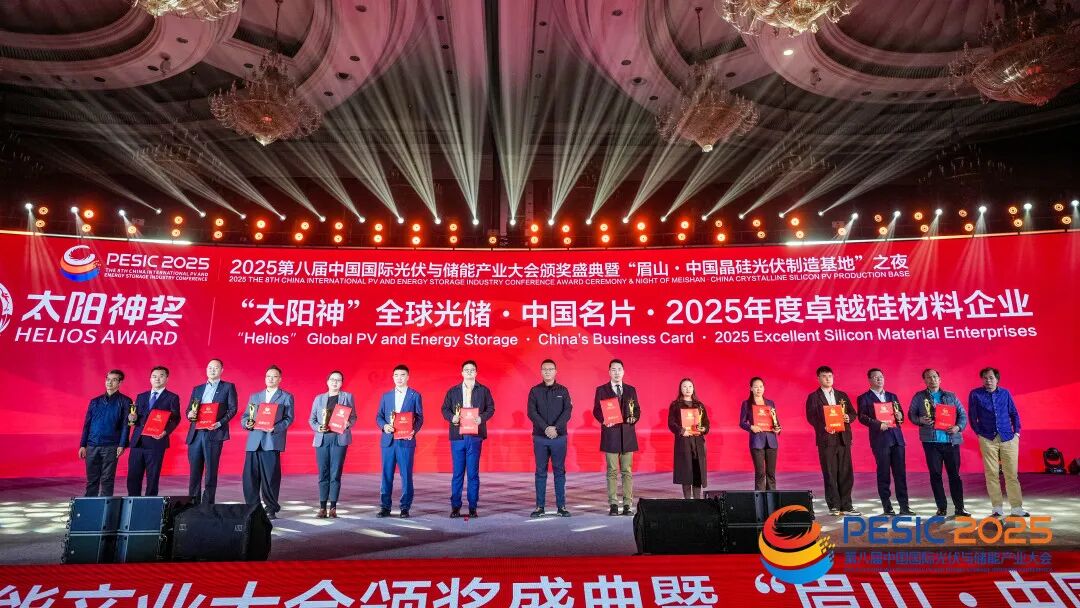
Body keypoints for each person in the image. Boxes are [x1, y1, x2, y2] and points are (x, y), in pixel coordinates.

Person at [908, 368, 970, 518]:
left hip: (951, 442)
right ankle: (941, 508)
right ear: (924, 380)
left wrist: (957, 427)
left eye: (935, 377)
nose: (932, 379)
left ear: (940, 379)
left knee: (955, 476)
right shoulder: (919, 397)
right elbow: (911, 415)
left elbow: (962, 415)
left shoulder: (951, 396)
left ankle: (960, 508)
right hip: (931, 442)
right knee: (935, 475)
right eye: (928, 377)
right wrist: (920, 420)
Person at [440, 360, 495, 518]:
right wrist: (452, 417)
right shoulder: (453, 391)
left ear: (476, 373)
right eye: (466, 370)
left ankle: (472, 507)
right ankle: (455, 507)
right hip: (458, 436)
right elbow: (444, 409)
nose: (469, 372)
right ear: (462, 372)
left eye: (472, 370)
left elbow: (491, 408)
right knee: (457, 473)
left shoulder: (483, 390)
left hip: (475, 435)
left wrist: (481, 418)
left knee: (472, 473)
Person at [968, 367, 1026, 518]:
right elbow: (972, 417)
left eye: (991, 378)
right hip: (987, 438)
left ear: (997, 379)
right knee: (991, 474)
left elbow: (1014, 413)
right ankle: (997, 508)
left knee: (1011, 474)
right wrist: (980, 434)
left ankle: (1016, 508)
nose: (988, 380)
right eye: (985, 378)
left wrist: (1017, 433)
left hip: (1008, 438)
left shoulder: (1005, 393)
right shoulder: (975, 394)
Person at [804, 365, 860, 516]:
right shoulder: (814, 397)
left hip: (843, 438)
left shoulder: (842, 395)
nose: (827, 379)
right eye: (824, 376)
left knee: (846, 472)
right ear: (818, 378)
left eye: (830, 376)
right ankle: (834, 505)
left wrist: (848, 417)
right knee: (830, 472)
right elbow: (811, 417)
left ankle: (847, 505)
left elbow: (853, 413)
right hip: (826, 439)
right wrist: (824, 427)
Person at [856, 368, 913, 516]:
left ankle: (904, 506)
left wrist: (900, 416)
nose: (879, 379)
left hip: (897, 438)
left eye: (881, 377)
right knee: (884, 474)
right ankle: (887, 507)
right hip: (880, 439)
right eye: (875, 377)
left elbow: (900, 416)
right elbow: (862, 417)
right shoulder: (864, 398)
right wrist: (877, 424)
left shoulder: (892, 396)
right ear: (869, 380)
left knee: (900, 474)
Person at [242, 365, 295, 520]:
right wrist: (247, 423)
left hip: (271, 441)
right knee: (249, 477)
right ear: (265, 378)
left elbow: (289, 418)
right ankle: (252, 507)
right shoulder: (255, 396)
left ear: (280, 379)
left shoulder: (286, 397)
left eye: (274, 376)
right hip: (254, 441)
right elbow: (246, 416)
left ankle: (270, 508)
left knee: (270, 477)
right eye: (268, 376)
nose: (271, 379)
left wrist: (276, 428)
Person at [185, 358, 238, 504]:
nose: (212, 370)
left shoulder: (228, 387)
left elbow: (233, 409)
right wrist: (189, 414)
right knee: (194, 472)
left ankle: (208, 504)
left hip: (214, 433)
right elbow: (188, 409)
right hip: (196, 434)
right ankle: (193, 503)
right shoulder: (197, 389)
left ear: (222, 370)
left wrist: (219, 423)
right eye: (209, 367)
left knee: (211, 471)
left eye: (216, 368)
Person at [592, 359, 641, 516]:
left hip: (627, 435)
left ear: (623, 371)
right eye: (613, 369)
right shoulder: (601, 390)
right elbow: (596, 410)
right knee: (612, 471)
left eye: (619, 369)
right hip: (611, 434)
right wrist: (604, 420)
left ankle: (627, 505)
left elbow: (637, 409)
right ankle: (613, 504)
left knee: (627, 471)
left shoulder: (631, 390)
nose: (616, 372)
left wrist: (634, 418)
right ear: (609, 372)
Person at [376, 364, 423, 518]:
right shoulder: (386, 396)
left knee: (406, 475)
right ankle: (385, 507)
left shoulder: (415, 395)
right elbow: (379, 416)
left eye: (402, 375)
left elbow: (419, 417)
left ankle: (405, 507)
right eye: (396, 375)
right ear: (393, 377)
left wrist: (413, 430)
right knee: (386, 475)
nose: (399, 378)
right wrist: (385, 426)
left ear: (408, 377)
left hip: (405, 441)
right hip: (388, 442)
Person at [125, 366, 181, 496]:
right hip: (138, 442)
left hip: (156, 441)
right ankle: (133, 501)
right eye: (154, 376)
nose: (157, 379)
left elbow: (175, 418)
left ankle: (150, 504)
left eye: (161, 376)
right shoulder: (141, 396)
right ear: (150, 379)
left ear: (167, 379)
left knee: (152, 477)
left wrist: (165, 432)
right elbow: (136, 418)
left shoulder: (172, 397)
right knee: (133, 476)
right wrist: (132, 418)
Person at [527, 359, 572, 518]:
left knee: (559, 471)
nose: (547, 371)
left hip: (559, 437)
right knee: (540, 472)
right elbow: (532, 412)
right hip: (540, 437)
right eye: (544, 369)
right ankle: (540, 507)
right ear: (541, 372)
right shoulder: (535, 391)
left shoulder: (563, 391)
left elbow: (567, 412)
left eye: (550, 369)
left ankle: (561, 507)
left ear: (555, 371)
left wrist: (556, 428)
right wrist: (546, 428)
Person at [309, 370, 356, 518]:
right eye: (332, 379)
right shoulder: (319, 399)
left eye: (338, 380)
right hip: (322, 438)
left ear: (342, 383)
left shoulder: (347, 397)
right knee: (323, 473)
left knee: (335, 473)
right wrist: (318, 427)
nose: (335, 382)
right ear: (327, 382)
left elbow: (353, 417)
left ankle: (333, 507)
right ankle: (322, 507)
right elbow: (312, 419)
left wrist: (348, 423)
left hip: (339, 438)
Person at [79, 369, 132, 497]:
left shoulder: (125, 401)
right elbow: (87, 424)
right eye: (108, 379)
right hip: (92, 445)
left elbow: (126, 425)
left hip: (111, 446)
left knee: (107, 479)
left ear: (120, 383)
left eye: (114, 380)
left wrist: (122, 444)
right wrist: (83, 445)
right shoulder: (95, 401)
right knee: (91, 480)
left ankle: (105, 505)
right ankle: (90, 504)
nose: (110, 382)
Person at [669, 378, 710, 498]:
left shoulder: (699, 405)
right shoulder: (675, 405)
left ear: (693, 389)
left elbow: (706, 423)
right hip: (684, 441)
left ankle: (697, 501)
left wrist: (704, 428)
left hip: (698, 442)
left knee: (697, 471)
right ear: (680, 389)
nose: (687, 389)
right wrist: (682, 431)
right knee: (686, 472)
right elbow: (671, 423)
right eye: (685, 387)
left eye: (690, 386)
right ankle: (687, 501)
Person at [738, 377, 778, 491]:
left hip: (771, 441)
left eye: (761, 386)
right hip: (757, 441)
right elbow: (742, 423)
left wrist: (777, 428)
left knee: (771, 474)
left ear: (764, 388)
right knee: (760, 474)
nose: (758, 389)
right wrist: (751, 427)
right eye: (756, 387)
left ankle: (771, 499)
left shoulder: (770, 403)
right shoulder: (746, 404)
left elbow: (775, 421)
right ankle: (760, 500)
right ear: (751, 388)